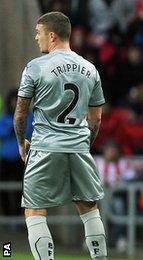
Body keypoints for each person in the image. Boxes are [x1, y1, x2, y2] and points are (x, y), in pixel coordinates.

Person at [14, 12, 108, 259]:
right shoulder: (90, 69)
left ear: (52, 36)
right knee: (89, 208)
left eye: (38, 33)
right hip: (79, 146)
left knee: (34, 211)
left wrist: (21, 143)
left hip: (45, 147)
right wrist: (85, 143)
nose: (36, 38)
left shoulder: (35, 67)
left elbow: (20, 114)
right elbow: (96, 118)